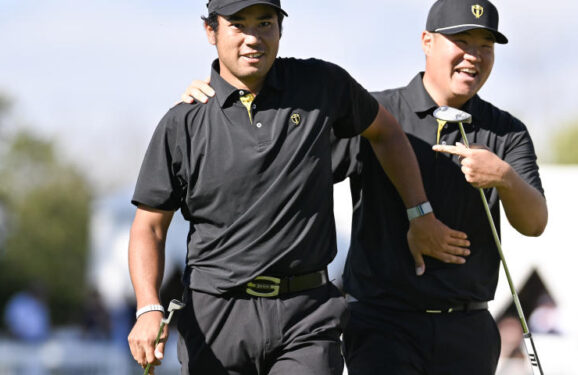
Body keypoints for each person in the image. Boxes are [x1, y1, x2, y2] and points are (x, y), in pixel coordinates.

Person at [181, 0, 548, 373]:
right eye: (462, 41)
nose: (473, 55)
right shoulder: (376, 113)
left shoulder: (507, 132)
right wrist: (221, 98)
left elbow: (534, 223)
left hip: (467, 328)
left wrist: (503, 177)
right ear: (427, 42)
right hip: (381, 327)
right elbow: (284, 167)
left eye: (485, 46)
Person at [127, 1, 465, 374]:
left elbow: (385, 132)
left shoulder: (322, 86)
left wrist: (420, 213)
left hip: (307, 315)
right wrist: (148, 307)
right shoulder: (184, 122)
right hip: (216, 315)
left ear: (281, 28)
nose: (254, 38)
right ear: (211, 31)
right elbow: (149, 226)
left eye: (265, 23)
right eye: (238, 25)